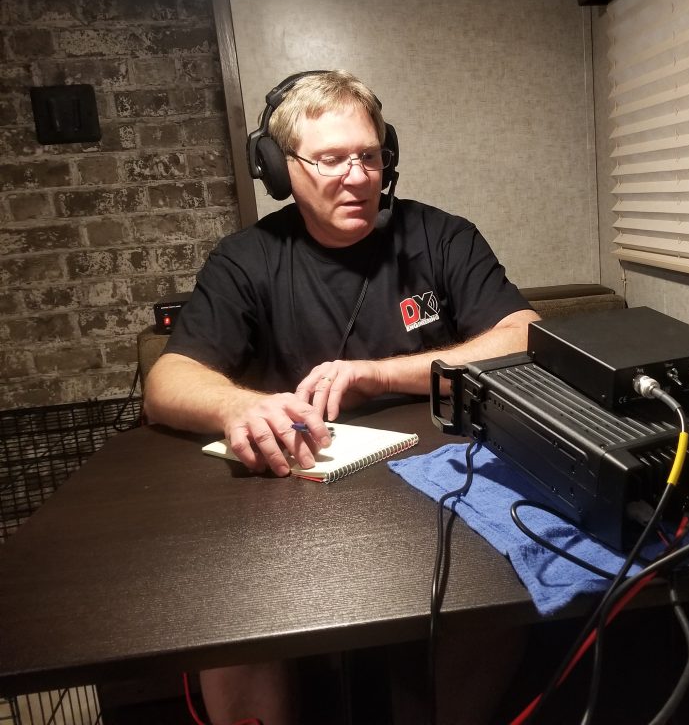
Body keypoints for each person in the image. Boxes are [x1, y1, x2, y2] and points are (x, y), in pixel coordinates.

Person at [144, 69, 540, 724]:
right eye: (330, 160)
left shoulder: (442, 236)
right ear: (278, 168)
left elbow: (524, 335)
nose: (357, 176)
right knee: (228, 625)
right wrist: (238, 406)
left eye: (369, 155)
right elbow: (166, 382)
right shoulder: (246, 259)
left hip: (437, 493)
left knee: (493, 596)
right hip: (286, 506)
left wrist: (377, 374)